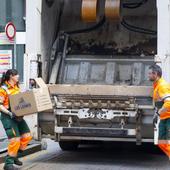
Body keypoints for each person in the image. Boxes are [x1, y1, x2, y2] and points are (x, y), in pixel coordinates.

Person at [0, 69, 32, 170]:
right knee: (15, 140)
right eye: (16, 75)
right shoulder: (3, 89)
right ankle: (8, 164)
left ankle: (14, 157)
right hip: (8, 116)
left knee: (27, 136)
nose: (18, 76)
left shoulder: (17, 87)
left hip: (18, 115)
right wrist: (9, 113)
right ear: (10, 76)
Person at [148, 64, 170, 159]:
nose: (148, 75)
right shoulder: (157, 85)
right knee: (161, 143)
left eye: (149, 74)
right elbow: (159, 103)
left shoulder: (162, 86)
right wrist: (156, 115)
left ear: (155, 74)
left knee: (168, 143)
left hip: (168, 119)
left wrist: (158, 113)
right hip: (164, 118)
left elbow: (168, 103)